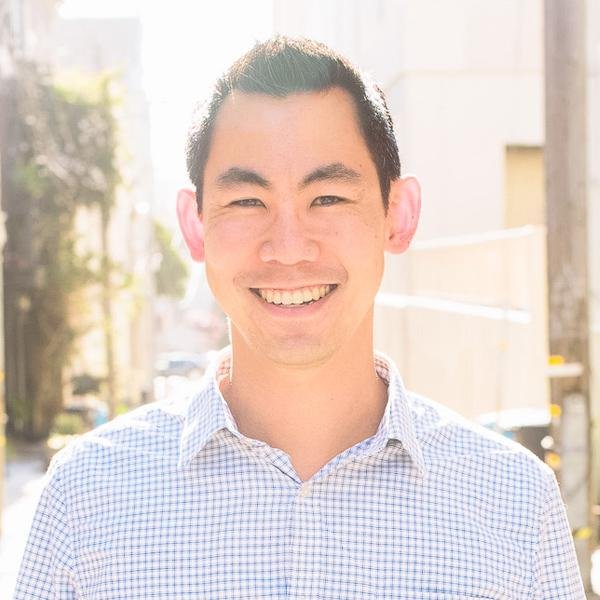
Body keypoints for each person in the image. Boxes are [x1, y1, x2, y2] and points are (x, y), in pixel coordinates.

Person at [14, 36, 585, 599]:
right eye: (247, 201)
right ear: (195, 226)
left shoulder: (516, 504)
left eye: (328, 198)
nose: (288, 248)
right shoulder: (86, 496)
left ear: (398, 215)